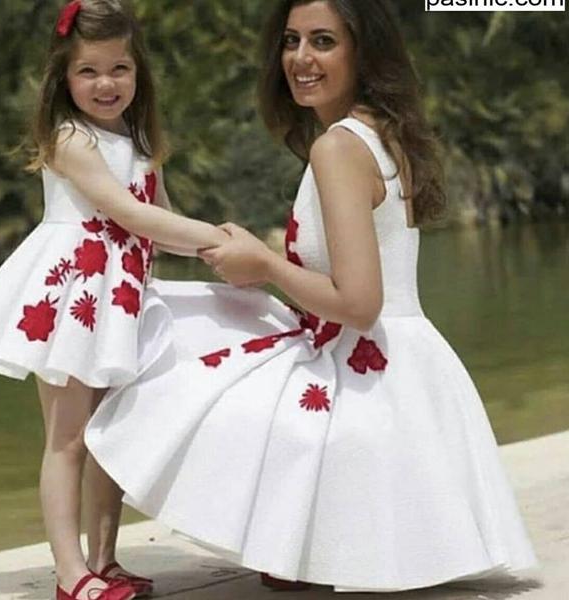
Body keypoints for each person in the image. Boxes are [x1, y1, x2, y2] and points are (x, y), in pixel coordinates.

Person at [86, 0, 538, 592]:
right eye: (291, 40)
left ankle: (96, 562)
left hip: (365, 368)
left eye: (323, 41)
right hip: (408, 368)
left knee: (158, 361)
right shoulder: (381, 133)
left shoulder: (338, 148)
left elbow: (360, 303)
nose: (300, 58)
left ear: (362, 51)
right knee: (212, 336)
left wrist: (265, 263)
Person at [0, 1, 228, 599]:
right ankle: (70, 573)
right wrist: (219, 237)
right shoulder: (70, 138)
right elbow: (130, 214)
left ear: (139, 74)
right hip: (73, 297)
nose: (105, 83)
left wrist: (220, 256)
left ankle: (105, 561)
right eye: (88, 71)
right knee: (67, 438)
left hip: (122, 300)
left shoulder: (138, 139)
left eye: (119, 69)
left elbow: (160, 220)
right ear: (63, 77)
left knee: (110, 433)